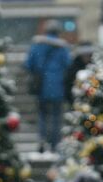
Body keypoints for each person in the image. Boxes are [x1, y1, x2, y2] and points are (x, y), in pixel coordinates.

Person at [25, 21, 73, 153]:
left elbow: (28, 64)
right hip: (58, 87)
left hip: (42, 87)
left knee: (42, 115)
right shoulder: (63, 47)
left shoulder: (37, 45)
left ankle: (42, 139)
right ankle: (54, 142)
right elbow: (68, 64)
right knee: (56, 116)